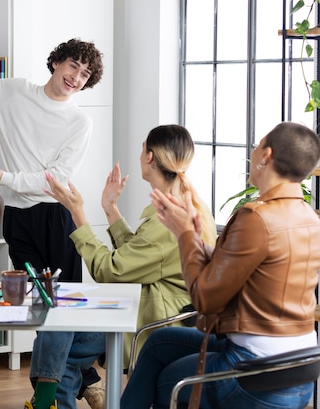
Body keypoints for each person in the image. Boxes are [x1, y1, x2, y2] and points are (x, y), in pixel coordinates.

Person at [0, 30, 107, 405]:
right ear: (56, 62)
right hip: (18, 217)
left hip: (58, 218)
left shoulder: (80, 122)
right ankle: (82, 380)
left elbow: (55, 181)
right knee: (39, 305)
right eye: (72, 66)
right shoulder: (13, 92)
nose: (75, 78)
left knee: (61, 306)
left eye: (84, 75)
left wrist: (4, 177)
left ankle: (53, 394)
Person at [127, 121, 320, 409]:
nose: (253, 152)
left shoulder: (257, 219)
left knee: (167, 380)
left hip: (256, 370)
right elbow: (240, 267)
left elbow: (204, 299)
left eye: (257, 145)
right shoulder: (308, 217)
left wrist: (184, 235)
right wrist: (195, 237)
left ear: (265, 156)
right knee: (159, 342)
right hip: (301, 364)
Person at [25, 124, 217, 409]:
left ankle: (45, 403)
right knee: (57, 331)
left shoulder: (169, 216)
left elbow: (110, 270)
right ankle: (46, 403)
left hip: (150, 318)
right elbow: (143, 257)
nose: (140, 155)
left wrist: (77, 213)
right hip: (140, 305)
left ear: (149, 157)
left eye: (142, 149)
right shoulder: (181, 202)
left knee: (57, 342)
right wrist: (111, 209)